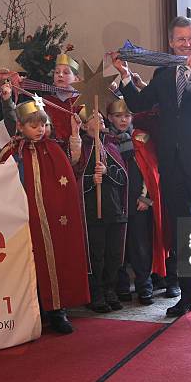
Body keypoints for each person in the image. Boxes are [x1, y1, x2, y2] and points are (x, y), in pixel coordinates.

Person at [111, 16, 191, 322]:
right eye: (180, 40)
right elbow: (141, 104)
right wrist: (125, 76)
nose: (186, 44)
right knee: (182, 233)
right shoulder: (163, 73)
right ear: (171, 43)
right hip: (172, 165)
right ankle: (189, 296)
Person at [0, 96, 89, 334]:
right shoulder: (11, 152)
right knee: (28, 263)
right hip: (24, 220)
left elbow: (71, 172)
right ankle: (32, 310)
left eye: (43, 125)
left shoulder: (53, 149)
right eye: (33, 125)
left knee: (54, 260)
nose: (39, 130)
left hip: (53, 220)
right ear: (20, 126)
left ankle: (58, 310)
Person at [106, 98, 167, 305]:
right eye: (118, 116)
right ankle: (121, 286)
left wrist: (147, 197)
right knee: (119, 249)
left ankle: (144, 286)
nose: (123, 120)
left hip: (138, 202)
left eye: (127, 116)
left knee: (140, 247)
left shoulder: (141, 138)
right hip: (116, 202)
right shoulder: (105, 140)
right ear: (109, 118)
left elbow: (151, 170)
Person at [75, 109, 127, 313]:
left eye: (101, 119)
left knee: (114, 254)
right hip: (92, 211)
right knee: (97, 255)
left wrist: (107, 172)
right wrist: (90, 180)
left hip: (113, 209)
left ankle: (110, 290)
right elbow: (74, 177)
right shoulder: (82, 149)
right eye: (93, 119)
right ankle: (95, 293)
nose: (98, 122)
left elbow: (123, 178)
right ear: (85, 125)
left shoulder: (111, 146)